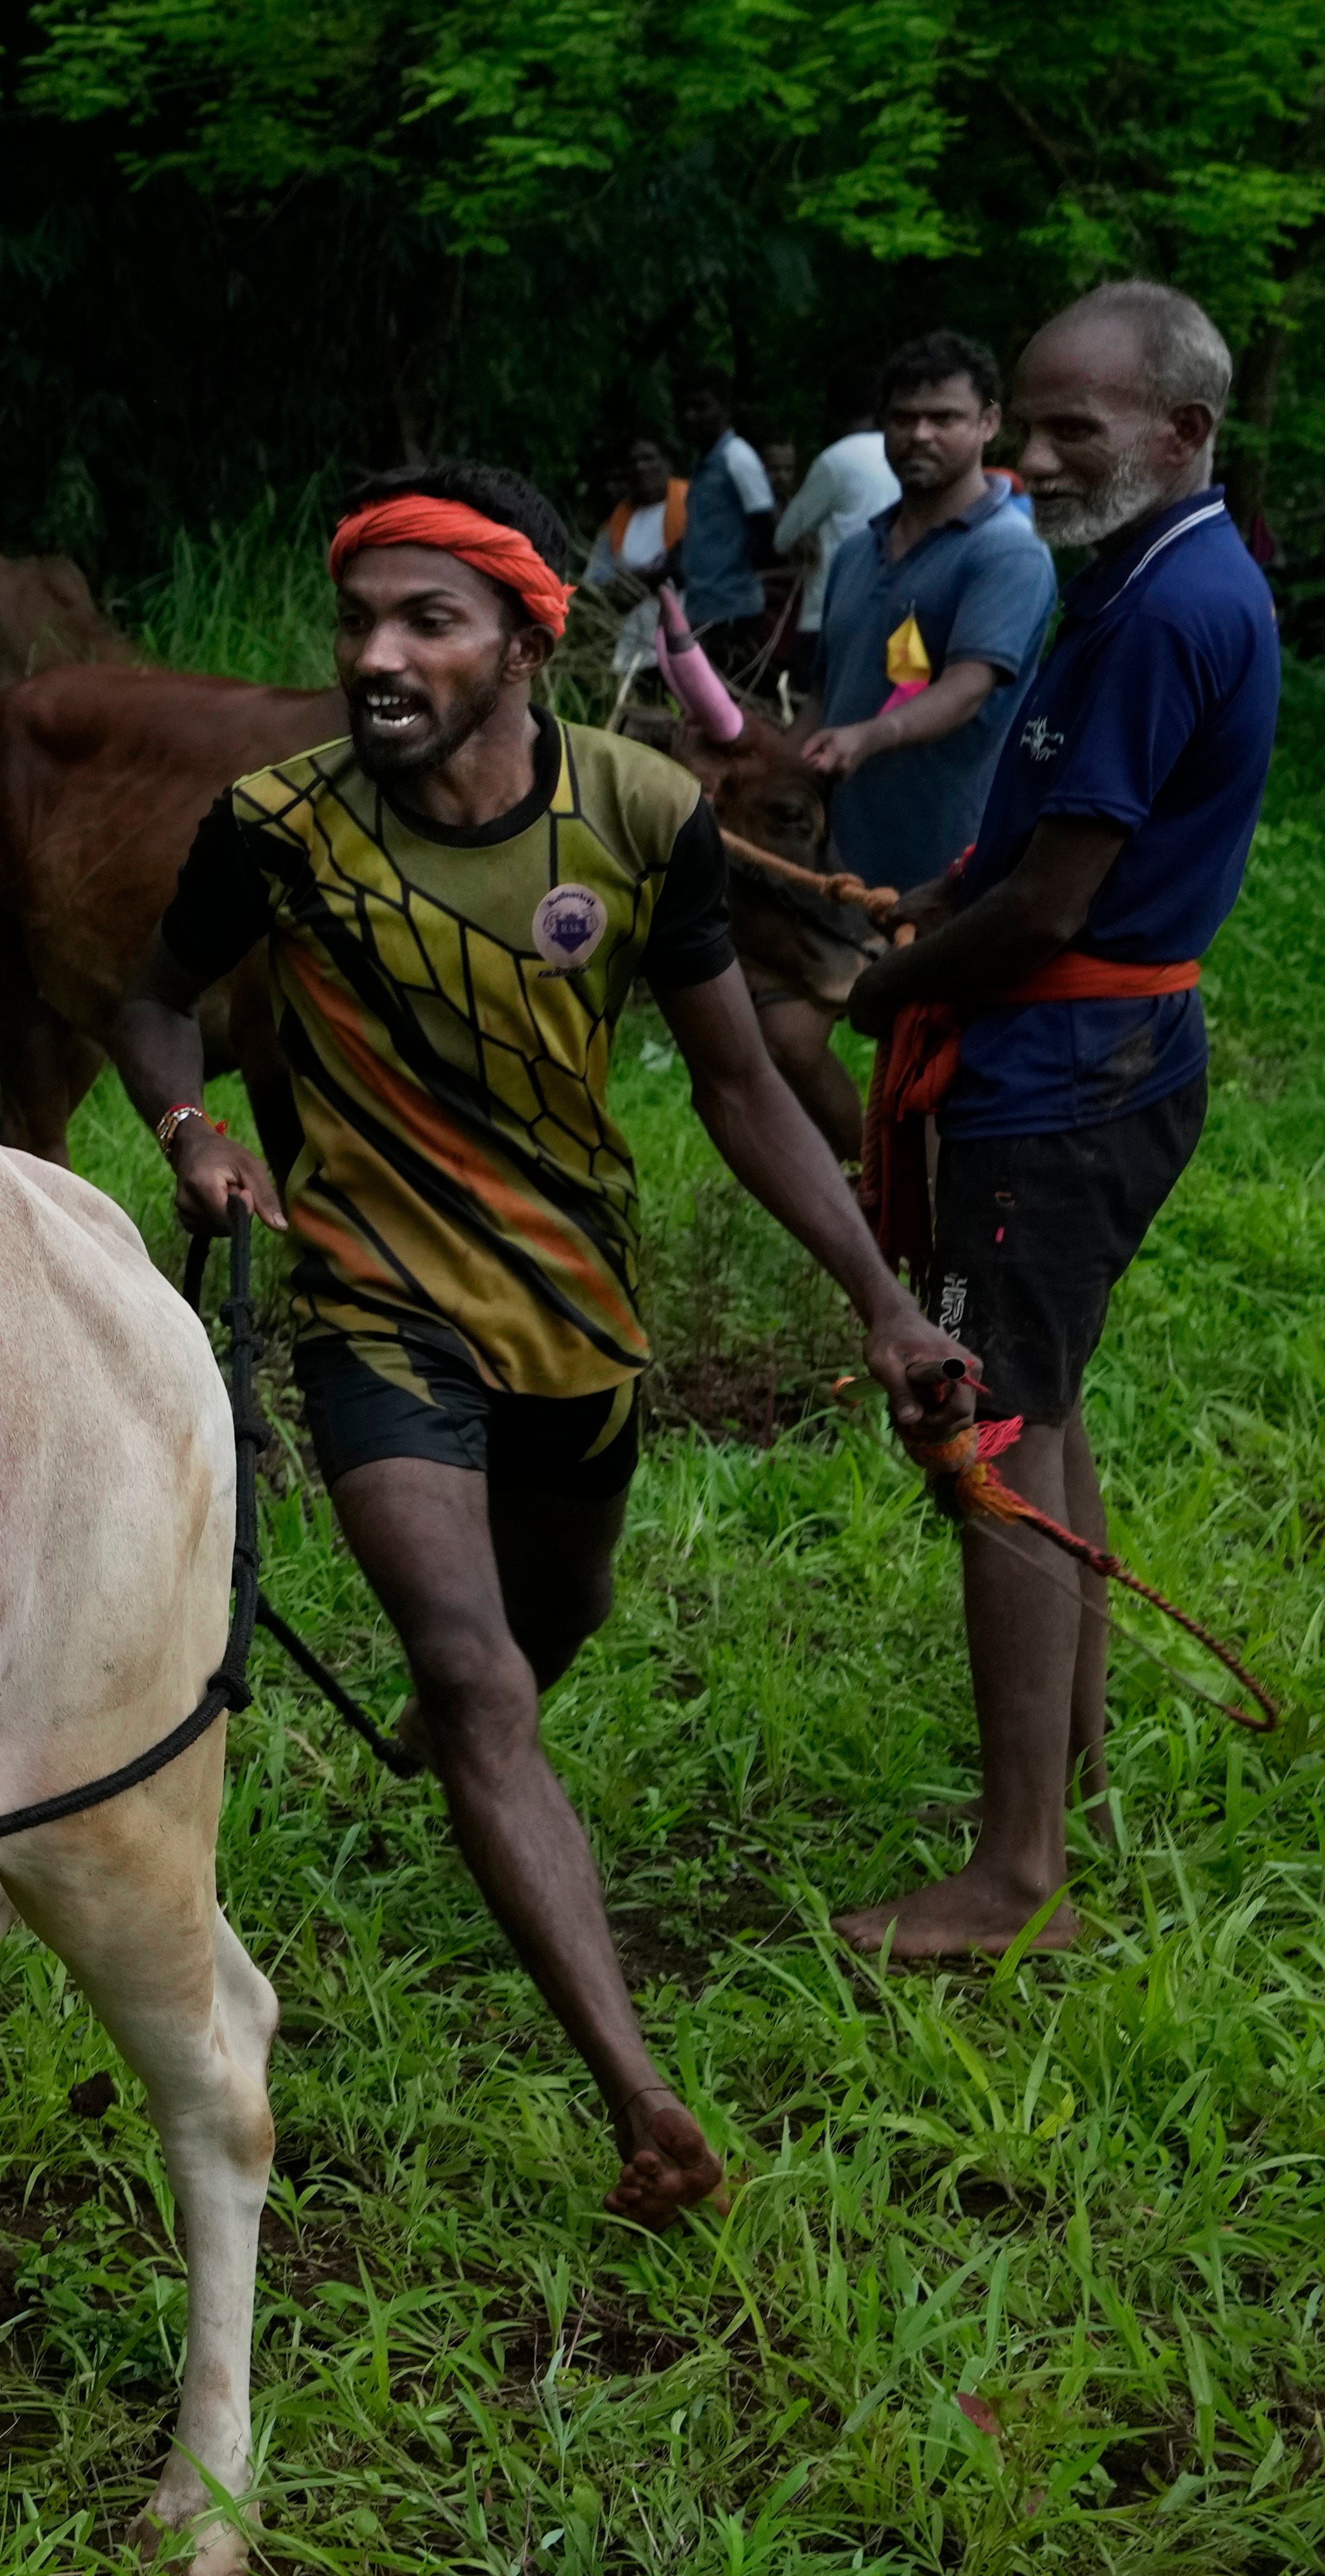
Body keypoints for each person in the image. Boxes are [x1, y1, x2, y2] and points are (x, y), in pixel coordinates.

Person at [108, 465, 966, 2225]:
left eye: (425, 618)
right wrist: (192, 1133)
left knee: (548, 1621)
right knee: (481, 1679)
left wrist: (879, 1301)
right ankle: (639, 2100)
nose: (376, 653)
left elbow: (737, 1080)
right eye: (357, 619)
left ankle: (477, 1732)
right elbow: (149, 999)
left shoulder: (641, 816)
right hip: (371, 1303)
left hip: (575, 1306)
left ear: (521, 638)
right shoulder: (274, 825)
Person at [834, 285, 1279, 1964]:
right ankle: (1063, 1783)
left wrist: (882, 991)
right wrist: (928, 902)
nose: (1027, 459)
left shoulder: (1171, 608)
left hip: (1052, 1080)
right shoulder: (1132, 575)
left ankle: (1010, 1873)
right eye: (1022, 425)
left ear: (1179, 432)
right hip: (1085, 1060)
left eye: (1066, 431)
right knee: (1045, 1410)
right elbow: (1018, 850)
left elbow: (1051, 902)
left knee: (990, 1439)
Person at [801, 332, 1054, 904]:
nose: (919, 435)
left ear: (988, 423)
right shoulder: (855, 553)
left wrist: (867, 737)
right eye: (903, 418)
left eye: (944, 418)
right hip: (836, 865)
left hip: (944, 872)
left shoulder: (1005, 552)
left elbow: (967, 688)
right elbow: (824, 694)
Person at [772, 380, 895, 670]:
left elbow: (783, 537)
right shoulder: (899, 454)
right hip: (891, 607)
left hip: (831, 611)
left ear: (832, 413)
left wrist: (810, 532)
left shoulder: (836, 460)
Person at [672, 370, 780, 650]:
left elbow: (766, 527)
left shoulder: (737, 457)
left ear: (725, 408)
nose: (689, 416)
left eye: (700, 407)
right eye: (684, 408)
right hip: (703, 607)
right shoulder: (703, 462)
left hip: (734, 609)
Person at [581, 435, 686, 672]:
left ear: (667, 463)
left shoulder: (693, 502)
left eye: (648, 459)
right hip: (634, 630)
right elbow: (594, 584)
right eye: (632, 462)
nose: (640, 468)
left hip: (687, 624)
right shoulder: (616, 524)